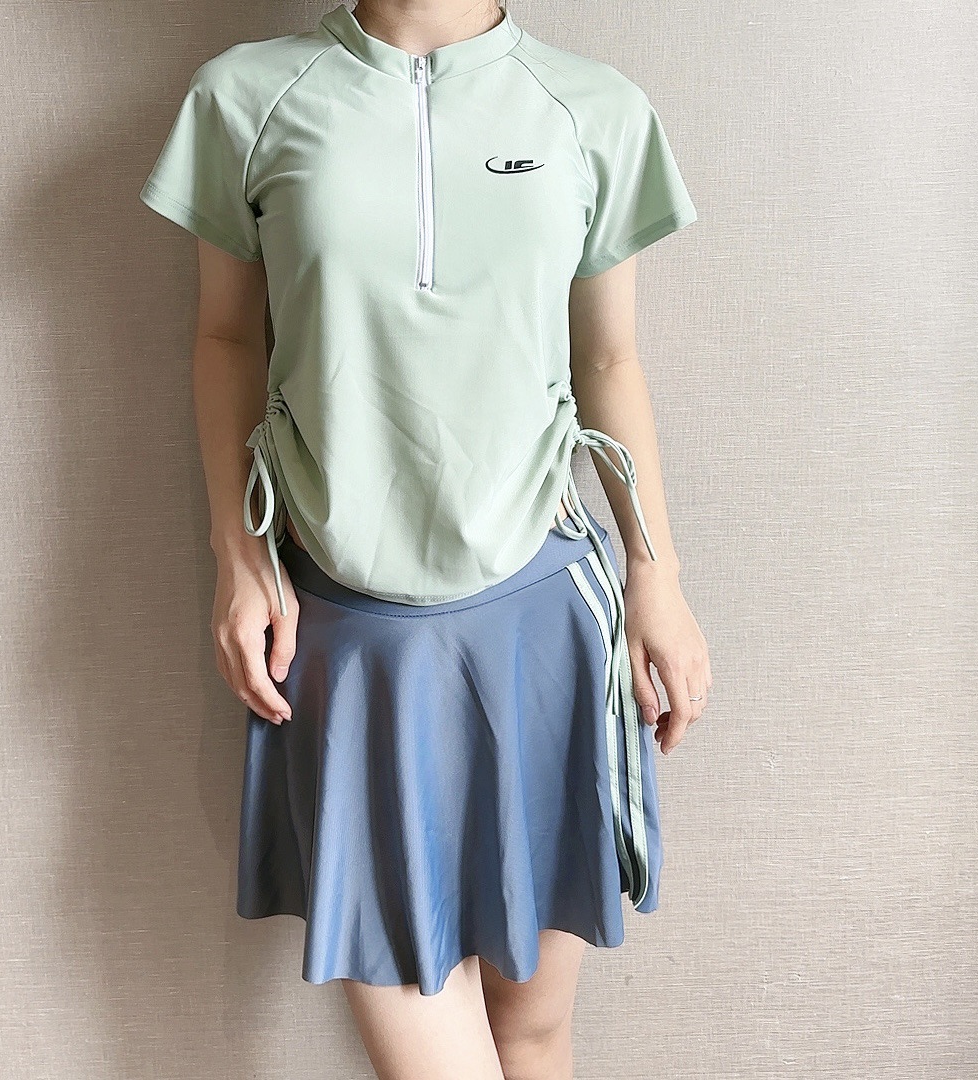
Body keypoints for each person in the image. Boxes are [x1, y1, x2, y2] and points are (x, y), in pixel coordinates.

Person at [140, 1, 712, 1076]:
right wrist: (238, 555)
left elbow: (609, 363)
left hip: (546, 621)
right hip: (349, 640)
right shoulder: (247, 97)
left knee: (533, 1033)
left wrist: (658, 575)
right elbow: (224, 338)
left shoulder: (593, 108)